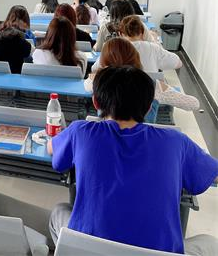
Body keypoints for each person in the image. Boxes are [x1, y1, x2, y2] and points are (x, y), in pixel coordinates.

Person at [48, 66, 218, 254]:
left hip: (89, 251)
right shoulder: (177, 142)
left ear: (96, 102)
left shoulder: (80, 132)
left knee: (59, 211)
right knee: (210, 243)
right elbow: (211, 175)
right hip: (157, 253)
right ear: (148, 107)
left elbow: (54, 153)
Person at [85, 37, 199, 111]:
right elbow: (193, 104)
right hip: (144, 138)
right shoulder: (153, 85)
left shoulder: (96, 81)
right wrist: (165, 88)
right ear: (135, 57)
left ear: (103, 61)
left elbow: (88, 82)